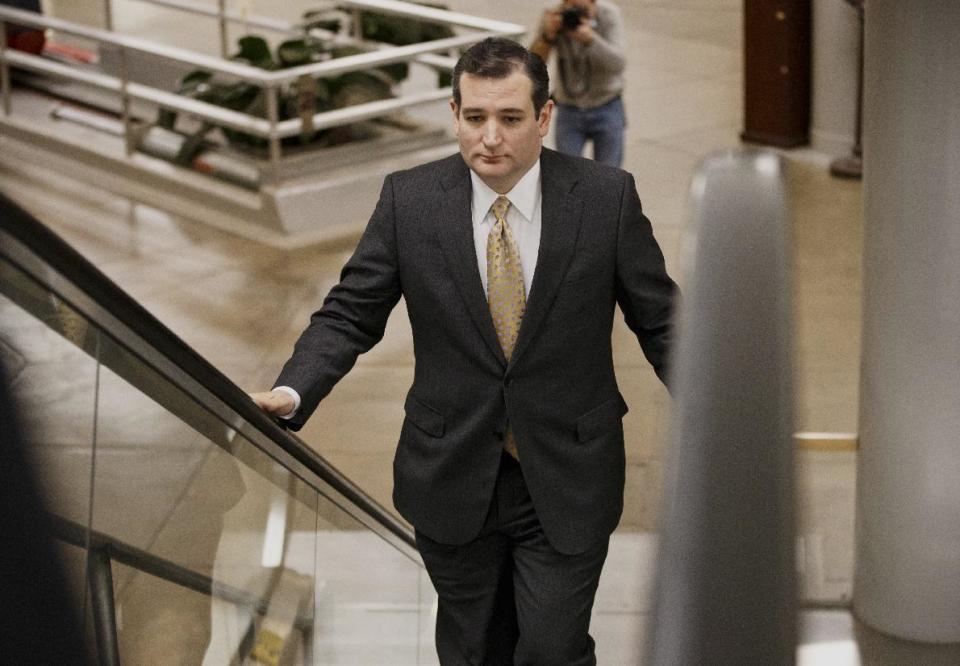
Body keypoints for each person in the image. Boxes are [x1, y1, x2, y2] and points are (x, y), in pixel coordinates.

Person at [250, 37, 676, 665]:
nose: (490, 138)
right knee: (471, 649)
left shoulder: (606, 199)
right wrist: (293, 389)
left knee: (554, 648)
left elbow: (663, 323)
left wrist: (725, 414)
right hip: (451, 473)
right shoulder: (409, 200)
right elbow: (349, 312)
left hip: (565, 473)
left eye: (509, 118)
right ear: (454, 115)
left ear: (545, 117)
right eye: (474, 118)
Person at [531, 0, 626, 168]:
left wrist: (591, 40)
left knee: (610, 178)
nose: (573, 11)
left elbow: (618, 64)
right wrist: (547, 36)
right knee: (568, 176)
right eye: (568, 3)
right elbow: (533, 65)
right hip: (569, 109)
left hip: (607, 106)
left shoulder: (608, 14)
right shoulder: (554, 14)